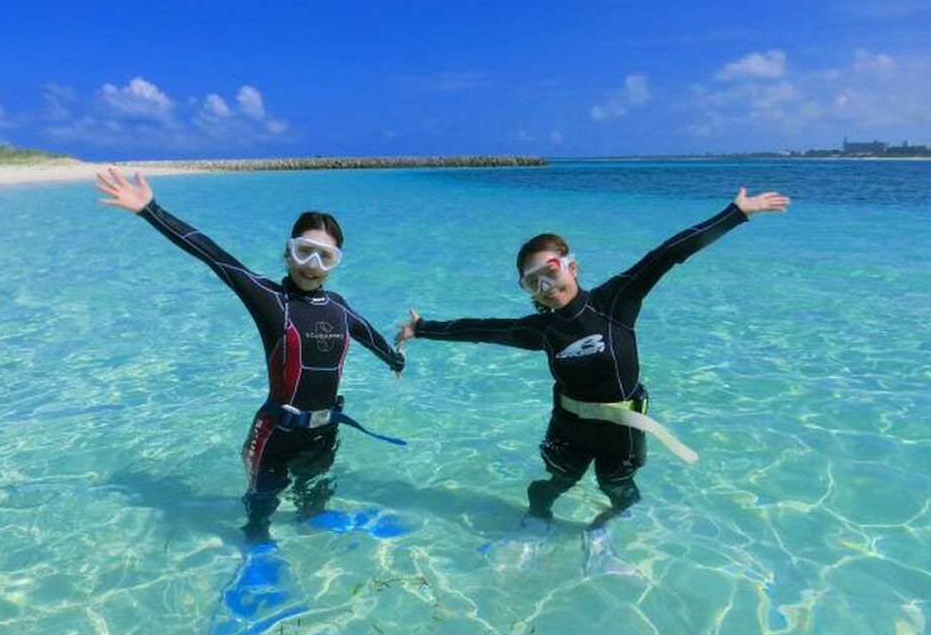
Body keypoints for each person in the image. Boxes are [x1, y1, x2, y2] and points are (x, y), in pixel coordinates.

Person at [396, 188, 790, 539]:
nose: (546, 287)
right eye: (532, 282)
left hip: (624, 428)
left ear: (571, 265)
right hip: (568, 428)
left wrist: (736, 213)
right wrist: (422, 328)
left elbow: (667, 254)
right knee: (555, 482)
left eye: (550, 271)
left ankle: (601, 529)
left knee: (620, 490)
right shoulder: (542, 330)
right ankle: (538, 518)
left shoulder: (615, 301)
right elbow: (482, 329)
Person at [95, 167, 404, 543]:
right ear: (288, 252)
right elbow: (213, 255)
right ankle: (256, 548)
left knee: (315, 496)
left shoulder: (339, 307)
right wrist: (150, 209)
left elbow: (370, 336)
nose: (312, 265)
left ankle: (315, 528)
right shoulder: (271, 300)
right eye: (304, 251)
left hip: (325, 431)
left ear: (336, 262)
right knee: (261, 509)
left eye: (325, 256)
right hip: (276, 435)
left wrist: (396, 361)